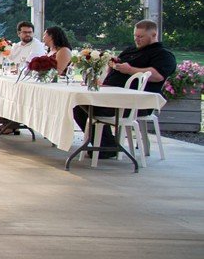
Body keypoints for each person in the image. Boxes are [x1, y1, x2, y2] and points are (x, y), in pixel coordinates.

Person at [74, 20, 176, 160]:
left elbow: (157, 76)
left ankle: (106, 147)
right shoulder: (130, 50)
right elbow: (117, 67)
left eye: (141, 37)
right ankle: (107, 144)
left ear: (154, 34)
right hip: (111, 96)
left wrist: (130, 70)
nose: (137, 40)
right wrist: (112, 65)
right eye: (135, 36)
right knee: (79, 104)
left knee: (86, 108)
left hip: (134, 103)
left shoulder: (163, 54)